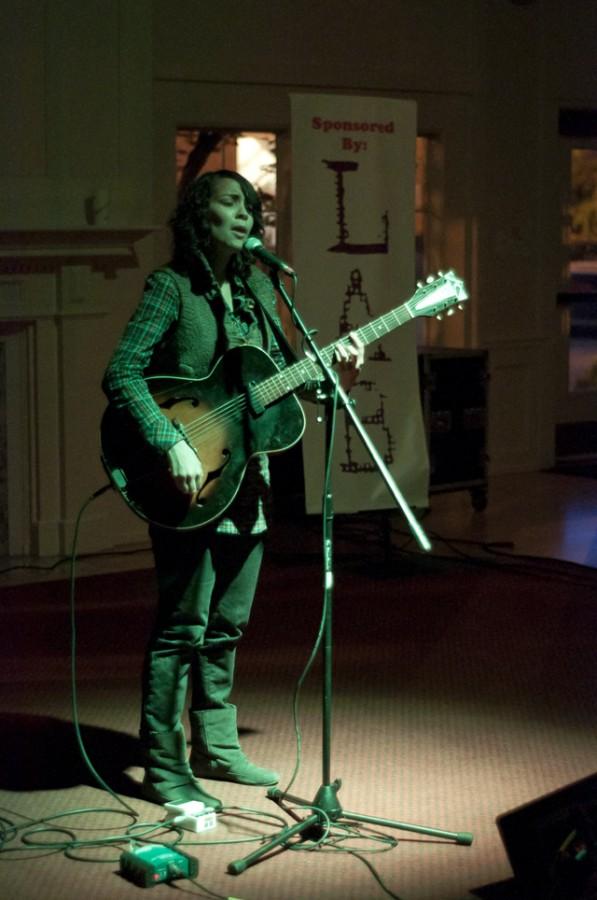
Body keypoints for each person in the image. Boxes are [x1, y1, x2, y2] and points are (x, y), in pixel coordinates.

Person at [102, 169, 364, 808]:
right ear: (201, 213)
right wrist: (170, 441)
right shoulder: (171, 287)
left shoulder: (257, 288)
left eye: (251, 206)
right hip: (186, 480)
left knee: (228, 622)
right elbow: (122, 374)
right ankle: (163, 765)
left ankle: (215, 747)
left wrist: (334, 372)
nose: (244, 215)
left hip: (248, 481)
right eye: (230, 203)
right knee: (182, 625)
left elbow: (278, 383)